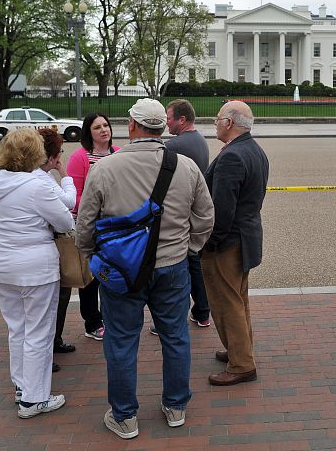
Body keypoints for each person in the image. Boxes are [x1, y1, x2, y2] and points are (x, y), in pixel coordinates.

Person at [76, 99, 214, 439]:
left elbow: (85, 226)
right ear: (163, 128)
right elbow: (206, 218)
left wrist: (94, 254)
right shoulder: (186, 167)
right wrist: (188, 247)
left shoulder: (104, 168)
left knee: (121, 341)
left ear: (132, 126)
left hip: (121, 270)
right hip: (173, 266)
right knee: (176, 337)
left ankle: (124, 416)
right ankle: (176, 405)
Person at [0, 127, 74, 418]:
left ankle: (23, 387)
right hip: (34, 267)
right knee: (39, 331)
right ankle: (35, 398)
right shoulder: (35, 186)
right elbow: (63, 222)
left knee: (17, 328)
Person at [202, 101, 269, 386]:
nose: (215, 123)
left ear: (229, 123)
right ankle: (238, 349)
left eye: (218, 119)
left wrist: (210, 243)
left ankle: (241, 364)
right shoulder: (254, 150)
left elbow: (223, 209)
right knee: (238, 300)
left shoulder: (232, 156)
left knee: (226, 302)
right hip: (246, 237)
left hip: (227, 242)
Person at [61, 113, 120, 343]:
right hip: (91, 225)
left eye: (106, 125)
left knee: (111, 274)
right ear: (89, 132)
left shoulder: (118, 152)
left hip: (114, 225)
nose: (104, 130)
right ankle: (92, 322)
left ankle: (110, 318)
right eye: (97, 127)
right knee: (90, 276)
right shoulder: (80, 157)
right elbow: (75, 196)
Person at [165, 99, 211, 328]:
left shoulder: (175, 145)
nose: (166, 122)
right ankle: (202, 311)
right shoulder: (200, 139)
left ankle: (175, 318)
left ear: (182, 120)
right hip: (196, 210)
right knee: (195, 264)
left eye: (169, 117)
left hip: (182, 213)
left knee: (181, 269)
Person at [35, 129, 77, 368]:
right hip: (45, 247)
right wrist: (64, 172)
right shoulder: (42, 180)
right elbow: (68, 206)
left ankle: (54, 340)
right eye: (60, 151)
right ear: (52, 157)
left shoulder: (28, 176)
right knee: (47, 305)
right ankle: (44, 353)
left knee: (57, 298)